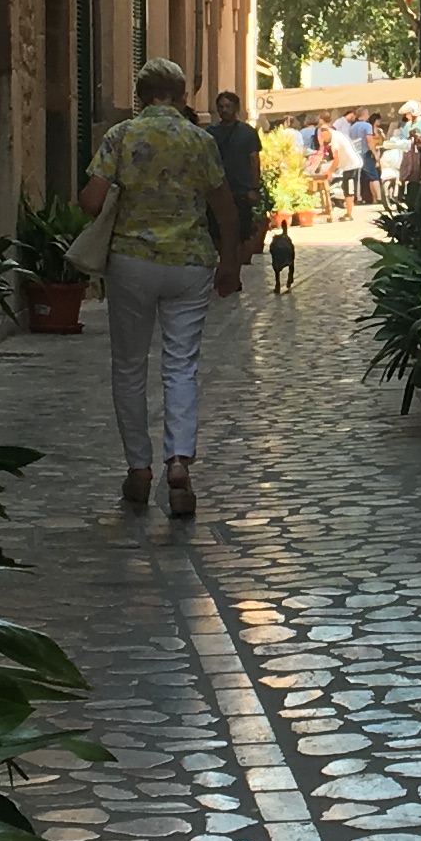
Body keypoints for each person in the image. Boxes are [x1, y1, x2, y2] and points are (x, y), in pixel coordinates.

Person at [78, 57, 243, 518]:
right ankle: (179, 464)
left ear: (141, 95)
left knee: (129, 366)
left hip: (132, 263)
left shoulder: (122, 136)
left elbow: (91, 201)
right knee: (181, 364)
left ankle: (138, 469)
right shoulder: (199, 140)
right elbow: (225, 210)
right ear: (183, 95)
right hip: (190, 263)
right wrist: (229, 262)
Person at [210, 88, 265, 259]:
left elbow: (254, 160)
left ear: (236, 108)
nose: (224, 110)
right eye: (221, 106)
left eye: (228, 106)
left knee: (241, 231)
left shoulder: (247, 133)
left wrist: (254, 188)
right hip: (218, 189)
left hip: (241, 191)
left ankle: (236, 265)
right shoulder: (210, 134)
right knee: (216, 230)